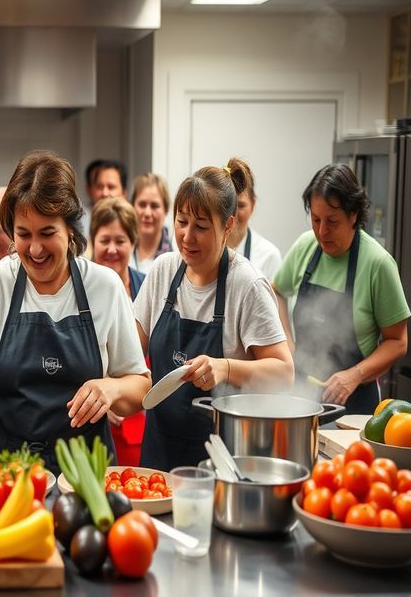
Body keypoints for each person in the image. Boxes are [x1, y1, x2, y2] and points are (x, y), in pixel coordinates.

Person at [0, 151, 149, 475]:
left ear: (70, 229)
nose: (35, 249)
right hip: (1, 475)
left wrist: (111, 388)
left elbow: (139, 387)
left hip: (83, 477)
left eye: (47, 233)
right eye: (24, 234)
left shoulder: (104, 286)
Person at [133, 160, 294, 471]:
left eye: (201, 226)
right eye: (181, 222)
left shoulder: (246, 285)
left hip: (219, 458)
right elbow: (131, 351)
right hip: (157, 453)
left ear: (228, 225)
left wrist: (226, 368)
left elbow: (284, 372)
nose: (187, 237)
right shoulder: (163, 271)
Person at [272, 164, 409, 414]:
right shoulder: (306, 246)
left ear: (353, 214)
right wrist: (287, 342)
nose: (322, 231)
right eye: (315, 220)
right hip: (302, 394)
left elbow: (398, 342)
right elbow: (276, 291)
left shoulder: (377, 263)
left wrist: (354, 374)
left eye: (332, 221)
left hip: (355, 402)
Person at [89, 197, 146, 466]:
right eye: (104, 240)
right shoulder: (79, 288)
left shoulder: (146, 288)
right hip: (91, 418)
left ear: (133, 243)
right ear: (92, 241)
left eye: (120, 241)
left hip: (139, 416)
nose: (112, 249)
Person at [224, 158, 282, 279]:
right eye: (229, 205)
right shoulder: (205, 249)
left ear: (253, 204)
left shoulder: (269, 256)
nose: (233, 214)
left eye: (240, 206)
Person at [129, 173, 173, 274]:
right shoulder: (122, 249)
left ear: (165, 210)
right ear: (132, 206)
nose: (147, 213)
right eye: (142, 204)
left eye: (154, 206)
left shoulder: (176, 255)